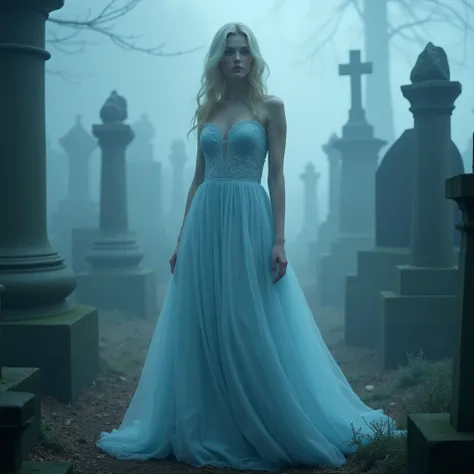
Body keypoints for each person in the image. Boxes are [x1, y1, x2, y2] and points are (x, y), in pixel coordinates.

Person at [96, 22, 398, 470]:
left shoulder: (269, 107)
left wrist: (278, 240)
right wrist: (182, 236)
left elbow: (276, 176)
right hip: (205, 222)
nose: (237, 58)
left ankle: (262, 418)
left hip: (248, 219)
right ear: (218, 59)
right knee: (206, 318)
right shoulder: (208, 109)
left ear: (253, 58)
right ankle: (210, 418)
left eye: (244, 51)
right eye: (229, 51)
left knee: (246, 317)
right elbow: (198, 178)